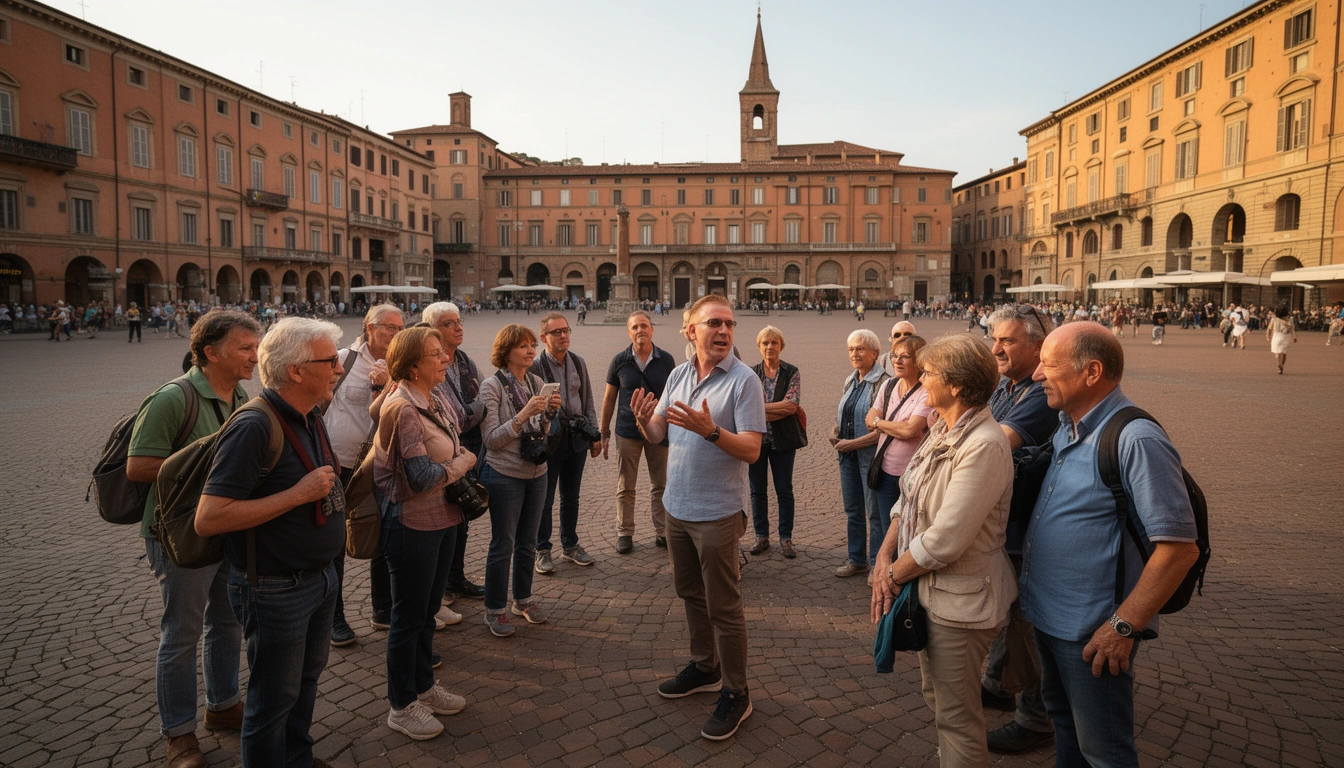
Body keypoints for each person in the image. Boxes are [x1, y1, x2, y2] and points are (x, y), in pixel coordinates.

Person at [1020, 322, 1200, 768]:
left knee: (1106, 752)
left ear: (1091, 372)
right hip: (1050, 615)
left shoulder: (1136, 439)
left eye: (1049, 364)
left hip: (1092, 628)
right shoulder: (1068, 425)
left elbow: (1179, 548)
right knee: (1065, 726)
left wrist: (1123, 626)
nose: (1038, 375)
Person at [195, 317, 349, 768]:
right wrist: (298, 495)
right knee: (273, 696)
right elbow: (210, 517)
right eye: (330, 361)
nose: (339, 368)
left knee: (305, 682)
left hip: (320, 578)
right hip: (275, 588)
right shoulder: (254, 426)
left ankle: (296, 757)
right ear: (296, 371)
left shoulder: (310, 414)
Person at [870, 334, 1016, 768]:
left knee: (956, 715)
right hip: (931, 591)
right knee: (936, 696)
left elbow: (946, 537)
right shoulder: (942, 428)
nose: (921, 378)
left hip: (963, 602)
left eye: (928, 372)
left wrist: (892, 575)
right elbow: (907, 497)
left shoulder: (985, 444)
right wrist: (883, 554)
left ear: (955, 385)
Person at [128, 310, 261, 768]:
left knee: (226, 622)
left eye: (255, 346)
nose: (255, 355)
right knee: (180, 635)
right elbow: (139, 466)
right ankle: (179, 734)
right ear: (210, 352)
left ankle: (223, 705)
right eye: (245, 348)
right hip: (180, 535)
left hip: (226, 528)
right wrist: (208, 468)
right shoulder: (173, 398)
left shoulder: (240, 393)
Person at [630, 294, 765, 741]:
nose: (724, 331)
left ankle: (737, 691)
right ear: (691, 331)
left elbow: (751, 448)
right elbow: (659, 434)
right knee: (690, 593)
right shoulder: (678, 374)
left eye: (729, 323)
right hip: (677, 506)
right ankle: (706, 667)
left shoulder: (744, 381)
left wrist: (710, 430)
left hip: (719, 512)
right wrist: (645, 419)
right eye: (714, 323)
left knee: (725, 606)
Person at [373, 327, 476, 741]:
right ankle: (402, 704)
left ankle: (424, 686)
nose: (445, 358)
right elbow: (420, 477)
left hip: (443, 519)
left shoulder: (432, 399)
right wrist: (463, 464)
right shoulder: (403, 409)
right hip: (412, 525)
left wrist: (456, 460)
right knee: (408, 617)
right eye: (436, 354)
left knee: (428, 611)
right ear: (413, 366)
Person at [978, 305, 1060, 755]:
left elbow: (992, 442)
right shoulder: (1007, 387)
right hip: (1010, 522)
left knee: (1026, 622)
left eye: (1006, 341)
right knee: (1007, 613)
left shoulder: (1038, 392)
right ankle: (998, 685)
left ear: (1036, 345)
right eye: (995, 339)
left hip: (1030, 529)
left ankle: (1036, 718)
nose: (996, 349)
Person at [323, 303, 404, 645]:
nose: (395, 334)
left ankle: (382, 609)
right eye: (388, 328)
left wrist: (389, 383)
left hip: (377, 462)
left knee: (381, 534)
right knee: (333, 542)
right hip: (339, 462)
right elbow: (318, 401)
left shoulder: (400, 363)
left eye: (400, 328)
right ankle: (334, 617)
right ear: (369, 328)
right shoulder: (344, 358)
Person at [478, 324, 561, 637]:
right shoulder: (492, 387)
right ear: (506, 351)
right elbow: (491, 440)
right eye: (523, 346)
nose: (530, 351)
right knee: (503, 544)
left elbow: (543, 433)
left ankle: (523, 600)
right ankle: (495, 609)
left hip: (537, 473)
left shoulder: (537, 381)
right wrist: (523, 414)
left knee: (528, 542)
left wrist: (550, 414)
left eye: (531, 345)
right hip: (504, 475)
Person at [423, 302, 487, 600]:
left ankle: (455, 577)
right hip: (441, 454)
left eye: (459, 321)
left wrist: (473, 409)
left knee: (462, 518)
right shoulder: (430, 366)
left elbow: (477, 402)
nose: (459, 327)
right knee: (443, 522)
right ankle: (438, 584)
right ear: (432, 330)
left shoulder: (465, 362)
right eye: (450, 323)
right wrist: (477, 409)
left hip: (468, 450)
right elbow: (458, 417)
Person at [601, 310, 676, 554]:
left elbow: (673, 397)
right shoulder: (619, 360)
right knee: (626, 485)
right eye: (635, 327)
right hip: (627, 431)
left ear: (652, 329)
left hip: (658, 430)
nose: (640, 330)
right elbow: (609, 398)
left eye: (644, 325)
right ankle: (625, 532)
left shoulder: (666, 360)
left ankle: (662, 531)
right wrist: (604, 432)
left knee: (660, 485)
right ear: (629, 331)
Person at [530, 312, 600, 574]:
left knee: (571, 497)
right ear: (544, 337)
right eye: (556, 332)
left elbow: (588, 400)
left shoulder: (578, 362)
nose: (562, 336)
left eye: (566, 331)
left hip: (577, 441)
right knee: (545, 500)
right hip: (550, 442)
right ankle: (542, 549)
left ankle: (570, 545)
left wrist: (595, 436)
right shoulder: (536, 367)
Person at [832, 329, 890, 579]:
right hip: (848, 457)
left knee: (874, 514)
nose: (854, 354)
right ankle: (857, 559)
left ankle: (877, 564)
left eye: (860, 349)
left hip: (871, 459)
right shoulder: (851, 379)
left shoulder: (884, 383)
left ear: (875, 353)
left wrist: (853, 443)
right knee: (853, 511)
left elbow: (884, 429)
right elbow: (847, 411)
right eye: (851, 349)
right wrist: (835, 429)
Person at [863, 334, 932, 534]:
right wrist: (890, 425)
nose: (897, 361)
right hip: (884, 470)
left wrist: (880, 423)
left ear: (919, 360)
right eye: (894, 355)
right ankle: (885, 565)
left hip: (911, 473)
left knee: (909, 530)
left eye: (905, 356)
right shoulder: (889, 385)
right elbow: (869, 420)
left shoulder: (926, 391)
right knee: (887, 529)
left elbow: (911, 430)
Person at [747, 326, 803, 558]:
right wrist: (775, 409)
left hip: (783, 439)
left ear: (781, 346)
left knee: (784, 489)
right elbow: (746, 409)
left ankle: (786, 537)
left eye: (774, 342)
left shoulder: (792, 371)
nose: (770, 347)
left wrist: (759, 410)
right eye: (765, 343)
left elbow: (792, 405)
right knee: (757, 490)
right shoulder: (750, 373)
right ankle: (762, 536)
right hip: (756, 440)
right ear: (759, 346)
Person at [1267, 306, 1297, 374]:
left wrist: (1268, 336)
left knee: (1278, 352)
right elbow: (1292, 329)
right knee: (1284, 353)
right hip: (1287, 337)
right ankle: (1281, 366)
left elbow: (1269, 328)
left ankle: (1279, 364)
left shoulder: (1274, 319)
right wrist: (1294, 337)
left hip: (1277, 336)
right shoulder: (1290, 320)